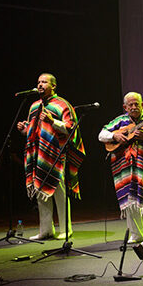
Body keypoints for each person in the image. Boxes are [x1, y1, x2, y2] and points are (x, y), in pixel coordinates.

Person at [17, 73, 85, 240]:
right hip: (38, 154)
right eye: (39, 82)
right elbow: (33, 131)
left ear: (53, 85)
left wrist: (52, 121)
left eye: (44, 82)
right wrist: (24, 130)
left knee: (59, 193)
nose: (40, 85)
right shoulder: (33, 106)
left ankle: (66, 229)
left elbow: (71, 129)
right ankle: (46, 230)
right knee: (40, 192)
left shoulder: (62, 105)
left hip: (56, 154)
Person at [99, 92, 143, 245]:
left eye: (136, 104)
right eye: (130, 105)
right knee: (129, 199)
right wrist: (114, 137)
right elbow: (102, 134)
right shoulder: (119, 121)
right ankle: (136, 234)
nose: (133, 107)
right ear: (125, 107)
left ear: (142, 104)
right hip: (124, 166)